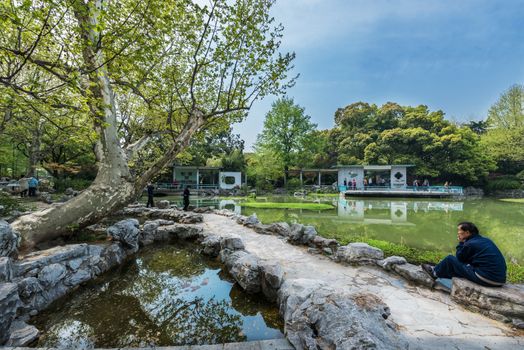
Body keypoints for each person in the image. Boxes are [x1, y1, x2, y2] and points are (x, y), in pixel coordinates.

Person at [422, 222, 506, 287]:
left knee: (450, 259)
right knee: (464, 266)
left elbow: (459, 258)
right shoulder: (485, 240)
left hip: (486, 278)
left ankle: (434, 273)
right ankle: (440, 272)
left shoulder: (470, 244)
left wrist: (461, 242)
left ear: (467, 233)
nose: (458, 233)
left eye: (459, 231)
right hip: (500, 280)